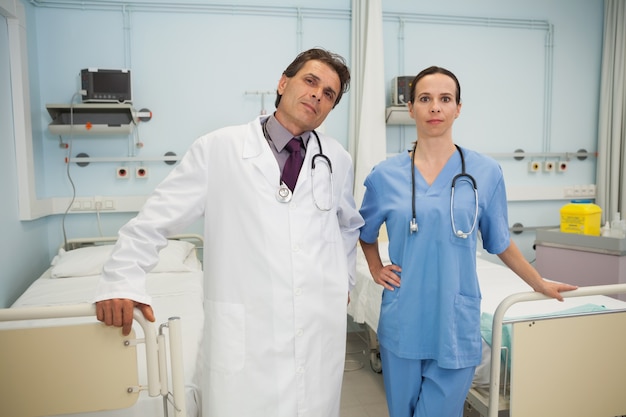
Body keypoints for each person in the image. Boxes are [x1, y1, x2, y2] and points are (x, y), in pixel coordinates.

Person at [94, 48, 364, 417]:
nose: (318, 94)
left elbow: (348, 224)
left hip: (318, 326)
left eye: (329, 93)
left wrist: (343, 281)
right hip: (247, 330)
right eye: (310, 81)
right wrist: (121, 279)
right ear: (284, 83)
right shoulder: (219, 148)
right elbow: (156, 218)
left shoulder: (337, 158)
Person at [358, 66, 577, 417]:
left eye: (445, 99)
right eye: (425, 99)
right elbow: (365, 232)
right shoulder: (385, 175)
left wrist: (539, 282)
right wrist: (374, 267)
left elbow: (500, 241)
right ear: (411, 107)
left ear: (458, 108)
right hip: (403, 318)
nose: (435, 108)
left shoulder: (486, 172)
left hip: (454, 321)